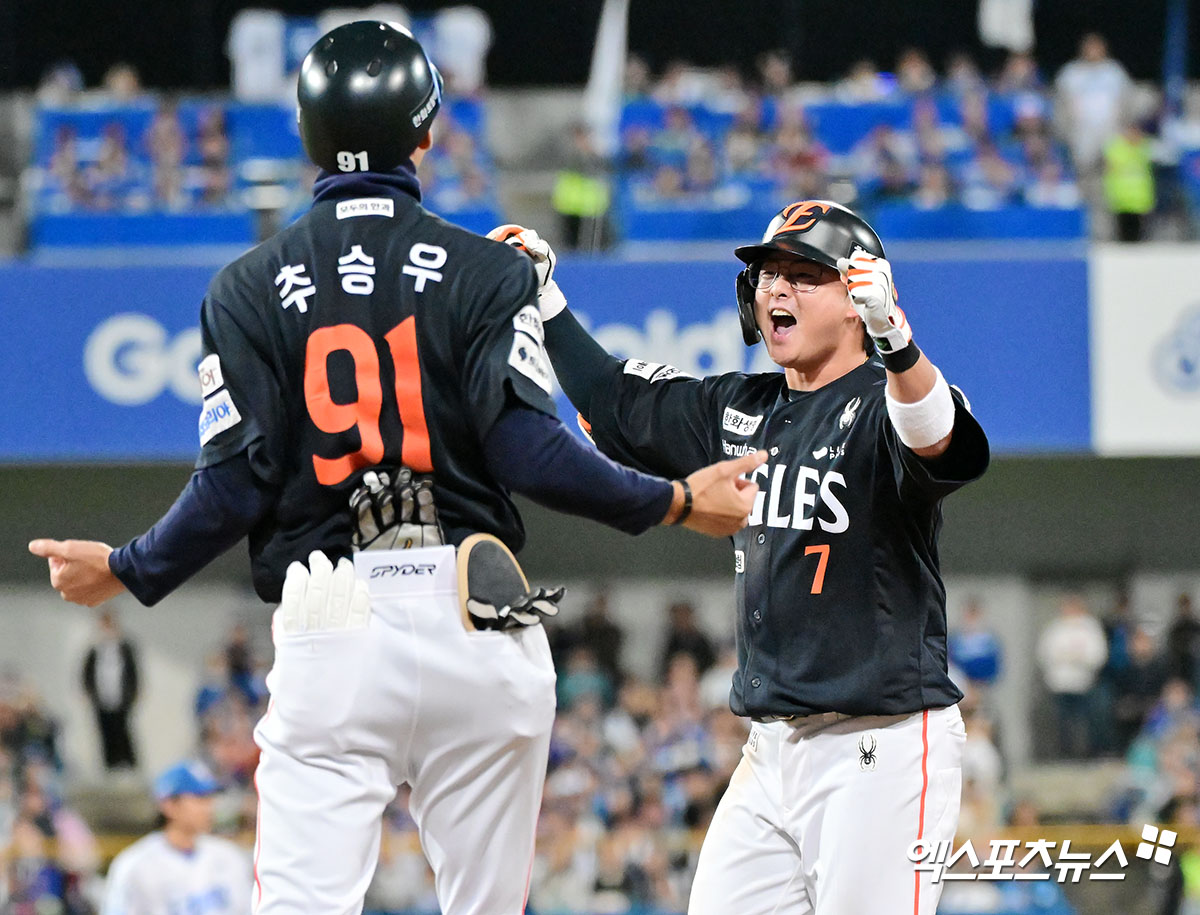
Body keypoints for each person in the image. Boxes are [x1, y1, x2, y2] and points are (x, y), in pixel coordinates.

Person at [28, 21, 761, 915]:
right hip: (477, 613)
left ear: (304, 132)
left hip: (333, 616)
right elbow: (530, 448)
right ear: (428, 130)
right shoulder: (486, 270)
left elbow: (235, 483)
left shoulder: (247, 286)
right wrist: (676, 499)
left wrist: (130, 568)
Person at [494, 198, 990, 913]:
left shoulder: (889, 400)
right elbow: (611, 397)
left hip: (880, 746)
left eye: (804, 275)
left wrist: (897, 341)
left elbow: (944, 440)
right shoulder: (739, 406)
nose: (776, 288)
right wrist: (546, 296)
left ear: (858, 301)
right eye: (767, 273)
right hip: (770, 751)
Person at [103, 760, 252, 915]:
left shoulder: (229, 855)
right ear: (169, 805)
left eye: (210, 798)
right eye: (200, 797)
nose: (209, 807)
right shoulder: (135, 866)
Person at [81, 609, 139, 771]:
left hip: (121, 696)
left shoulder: (125, 647)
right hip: (101, 697)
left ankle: (127, 763)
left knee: (122, 729)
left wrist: (134, 691)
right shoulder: (94, 648)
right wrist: (88, 692)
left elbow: (132, 671)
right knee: (105, 731)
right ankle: (109, 764)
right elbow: (87, 673)